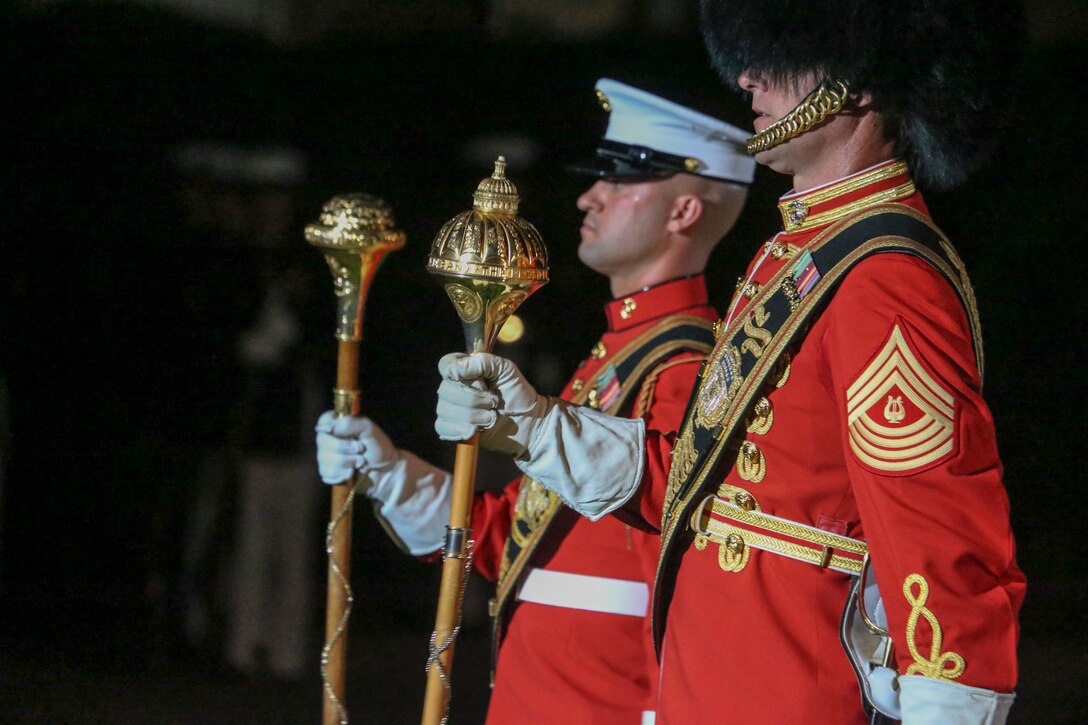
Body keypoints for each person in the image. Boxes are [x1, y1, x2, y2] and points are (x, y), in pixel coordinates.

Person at [433, 2, 1026, 722]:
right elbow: (704, 487)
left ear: (861, 82)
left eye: (783, 55)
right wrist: (534, 426)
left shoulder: (884, 276)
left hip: (788, 693)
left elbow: (941, 547)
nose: (748, 77)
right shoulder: (804, 254)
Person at [316, 78, 754, 724]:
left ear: (684, 211)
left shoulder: (688, 367)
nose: (588, 196)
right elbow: (510, 538)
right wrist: (391, 472)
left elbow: (683, 534)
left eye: (619, 179)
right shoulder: (619, 355)